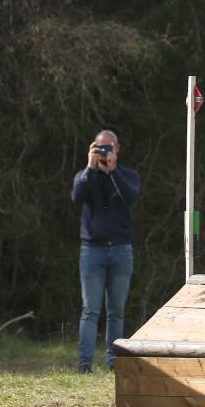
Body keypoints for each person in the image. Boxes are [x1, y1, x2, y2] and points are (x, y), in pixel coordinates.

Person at [71, 130, 140, 374]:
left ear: (118, 149)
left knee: (116, 311)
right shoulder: (86, 177)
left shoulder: (127, 176)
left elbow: (130, 197)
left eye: (109, 148)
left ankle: (113, 362)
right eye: (100, 148)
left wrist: (112, 172)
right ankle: (84, 365)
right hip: (92, 251)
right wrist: (91, 167)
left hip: (121, 250)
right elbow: (77, 195)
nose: (105, 152)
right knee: (90, 310)